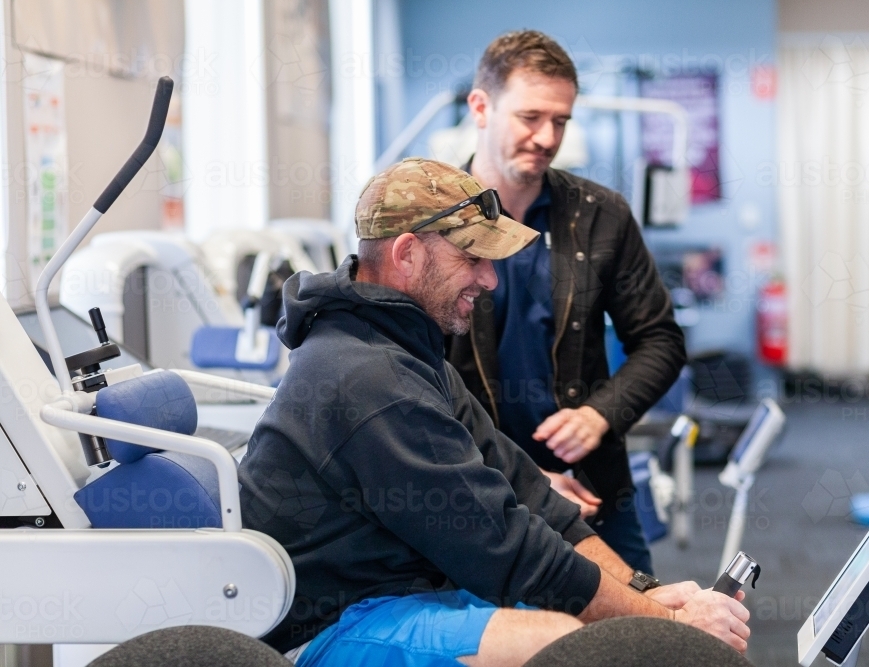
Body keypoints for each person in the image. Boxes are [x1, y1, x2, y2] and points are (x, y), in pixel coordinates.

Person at [238, 158, 749, 666]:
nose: (490, 280)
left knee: (589, 626)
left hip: (406, 591)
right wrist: (669, 629)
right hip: (330, 626)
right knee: (560, 642)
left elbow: (530, 494)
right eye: (472, 258)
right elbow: (510, 549)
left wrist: (643, 591)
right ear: (408, 254)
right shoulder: (369, 379)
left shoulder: (410, 354)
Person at [448, 30, 686, 574]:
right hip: (475, 487)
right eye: (530, 117)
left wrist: (601, 414)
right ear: (481, 107)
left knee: (638, 637)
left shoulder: (602, 215)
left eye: (561, 121)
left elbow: (659, 341)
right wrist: (522, 479)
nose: (546, 136)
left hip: (594, 485)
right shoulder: (431, 224)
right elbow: (411, 378)